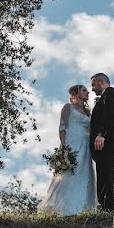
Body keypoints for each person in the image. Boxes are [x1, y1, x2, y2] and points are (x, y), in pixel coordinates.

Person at [38, 84, 98, 215]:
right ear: (76, 93)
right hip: (72, 143)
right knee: (69, 173)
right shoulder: (67, 108)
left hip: (84, 145)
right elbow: (62, 127)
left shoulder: (88, 112)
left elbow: (90, 130)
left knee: (83, 173)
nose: (87, 92)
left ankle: (82, 208)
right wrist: (64, 146)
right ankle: (64, 208)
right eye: (84, 90)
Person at [89, 72, 114, 213]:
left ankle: (113, 209)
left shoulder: (110, 94)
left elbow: (110, 115)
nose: (92, 89)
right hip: (104, 148)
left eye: (93, 85)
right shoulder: (104, 97)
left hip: (108, 146)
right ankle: (105, 207)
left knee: (109, 176)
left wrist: (101, 134)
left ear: (101, 82)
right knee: (103, 176)